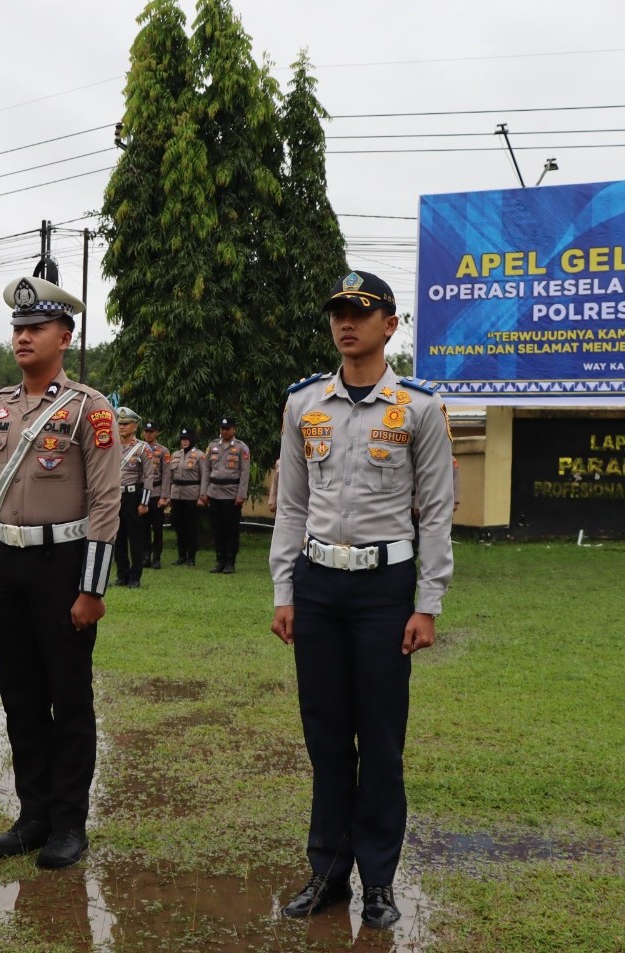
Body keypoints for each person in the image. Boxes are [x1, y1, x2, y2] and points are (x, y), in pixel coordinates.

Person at [269, 270, 454, 927]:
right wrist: (284, 589)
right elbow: (291, 506)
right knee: (325, 737)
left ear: (390, 325)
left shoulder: (419, 408)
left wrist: (427, 602)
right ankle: (327, 872)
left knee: (379, 740)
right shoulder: (304, 404)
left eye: (361, 311)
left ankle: (378, 881)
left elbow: (437, 511)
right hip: (318, 585)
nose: (346, 322)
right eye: (338, 312)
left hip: (384, 590)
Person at [0, 275, 120, 870]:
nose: (23, 337)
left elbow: (106, 501)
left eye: (36, 327)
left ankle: (68, 823)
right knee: (21, 699)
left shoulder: (89, 408)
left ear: (65, 336)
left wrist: (92, 588)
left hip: (63, 566)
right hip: (7, 565)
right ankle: (32, 816)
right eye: (18, 328)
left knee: (69, 698)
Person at [201, 416, 250, 573]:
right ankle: (220, 561)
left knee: (231, 530)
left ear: (234, 429)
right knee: (217, 529)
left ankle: (230, 562)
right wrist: (203, 492)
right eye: (222, 428)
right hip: (214, 492)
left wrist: (241, 495)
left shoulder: (241, 447)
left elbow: (245, 473)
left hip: (231, 493)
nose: (225, 431)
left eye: (228, 428)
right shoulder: (213, 446)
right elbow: (206, 470)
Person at [112, 407, 151, 589]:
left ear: (135, 426)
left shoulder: (142, 448)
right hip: (115, 496)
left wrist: (144, 502)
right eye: (120, 423)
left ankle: (135, 576)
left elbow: (148, 477)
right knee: (118, 538)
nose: (121, 427)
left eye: (126, 424)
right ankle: (122, 574)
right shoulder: (112, 446)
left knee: (135, 539)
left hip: (133, 496)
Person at [162, 428, 208, 566]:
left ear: (192, 440)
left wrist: (202, 496)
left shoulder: (200, 455)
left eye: (187, 439)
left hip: (192, 495)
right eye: (182, 439)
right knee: (178, 525)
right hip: (176, 495)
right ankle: (181, 556)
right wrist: (167, 495)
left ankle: (191, 557)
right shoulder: (175, 455)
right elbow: (169, 477)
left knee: (191, 527)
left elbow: (204, 477)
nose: (184, 441)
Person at [140, 422, 172, 569]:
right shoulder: (139, 448)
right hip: (142, 493)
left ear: (157, 433)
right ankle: (145, 556)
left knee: (157, 528)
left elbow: (166, 474)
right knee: (143, 527)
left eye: (151, 431)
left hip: (157, 492)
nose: (148, 434)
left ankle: (156, 558)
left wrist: (164, 496)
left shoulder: (163, 451)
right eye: (146, 431)